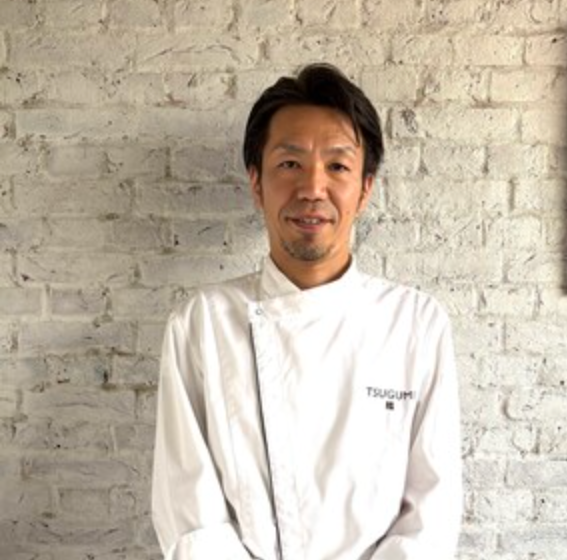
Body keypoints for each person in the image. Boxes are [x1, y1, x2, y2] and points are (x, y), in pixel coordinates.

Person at [152, 63, 463, 560]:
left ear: (365, 188)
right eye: (290, 164)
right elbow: (190, 511)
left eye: (337, 167)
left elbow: (431, 511)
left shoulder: (416, 324)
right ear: (256, 183)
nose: (312, 189)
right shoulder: (202, 324)